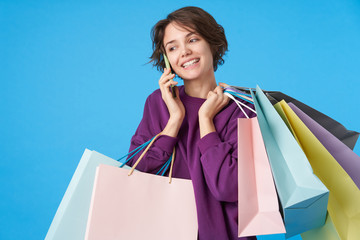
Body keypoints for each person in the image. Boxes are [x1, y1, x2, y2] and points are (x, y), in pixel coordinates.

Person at [126, 6, 257, 240]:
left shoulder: (244, 109)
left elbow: (229, 187)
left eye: (193, 39)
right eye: (173, 47)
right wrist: (174, 121)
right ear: (166, 60)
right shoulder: (158, 104)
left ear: (212, 43)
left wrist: (205, 121)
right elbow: (136, 175)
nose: (184, 52)